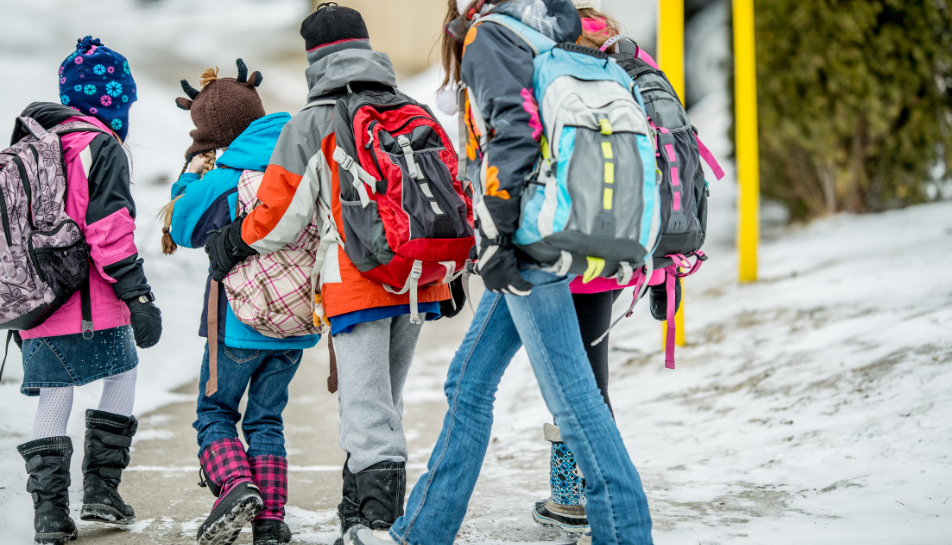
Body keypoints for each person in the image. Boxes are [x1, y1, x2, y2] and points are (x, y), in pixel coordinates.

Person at [345, 1, 654, 545]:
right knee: (468, 380)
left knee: (575, 400)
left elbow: (511, 135)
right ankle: (421, 531)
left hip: (522, 242)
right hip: (535, 230)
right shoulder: (550, 28)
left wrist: (499, 239)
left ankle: (628, 534)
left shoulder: (492, 34)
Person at [202, 4, 453, 544]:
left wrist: (230, 241)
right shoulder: (412, 109)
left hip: (360, 283)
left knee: (367, 410)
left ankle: (374, 526)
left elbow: (276, 219)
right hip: (421, 279)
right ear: (367, 47)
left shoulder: (312, 122)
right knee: (385, 401)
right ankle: (356, 514)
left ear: (313, 58)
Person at [529, 0, 680, 537]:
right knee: (589, 375)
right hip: (618, 250)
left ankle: (580, 496)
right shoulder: (626, 67)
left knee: (576, 385)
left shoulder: (552, 61)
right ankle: (581, 492)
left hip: (566, 251)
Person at [13, 36, 162, 545]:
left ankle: (50, 516)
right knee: (121, 378)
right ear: (111, 102)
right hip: (93, 303)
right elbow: (109, 228)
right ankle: (102, 491)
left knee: (55, 398)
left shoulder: (34, 144)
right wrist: (138, 294)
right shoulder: (101, 146)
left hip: (36, 304)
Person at [164, 61, 320, 545]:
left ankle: (236, 486)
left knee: (215, 413)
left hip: (237, 323)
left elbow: (181, 226)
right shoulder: (298, 158)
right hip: (296, 322)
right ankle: (270, 521)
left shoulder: (226, 177)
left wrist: (190, 173)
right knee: (266, 420)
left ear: (211, 133)